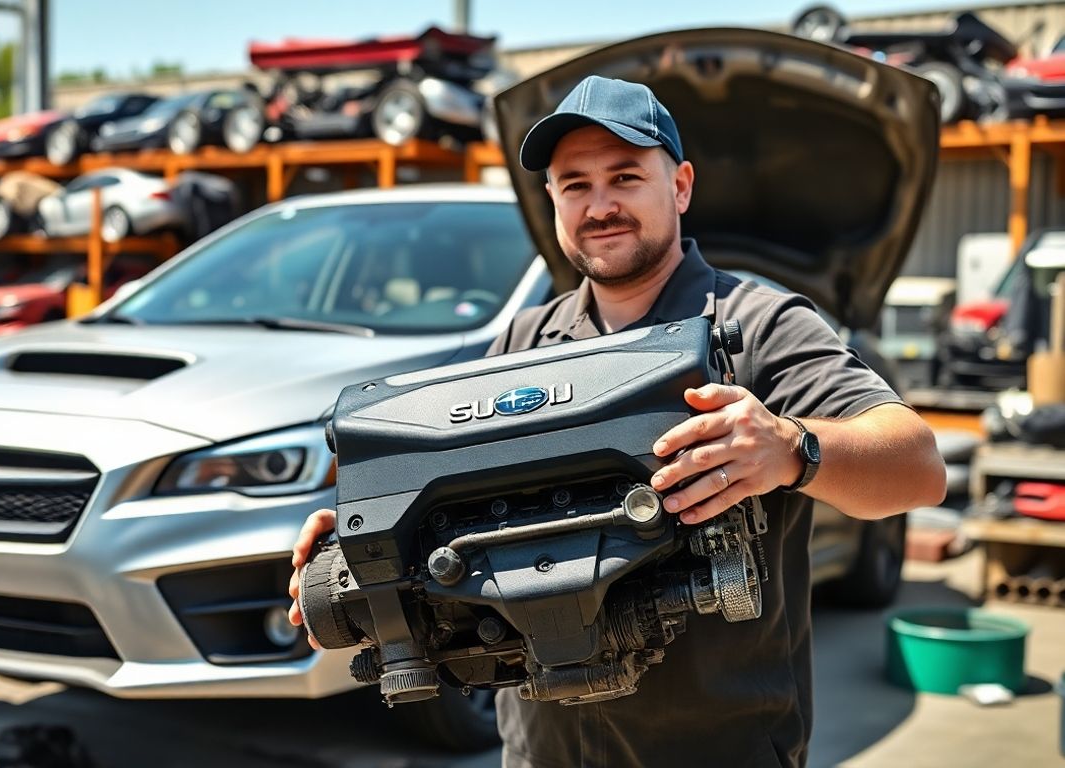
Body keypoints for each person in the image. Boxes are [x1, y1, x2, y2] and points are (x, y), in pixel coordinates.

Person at [287, 76, 946, 767]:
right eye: (575, 185)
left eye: (625, 177)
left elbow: (918, 466)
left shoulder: (760, 327)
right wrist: (370, 538)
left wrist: (791, 446)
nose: (600, 206)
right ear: (552, 200)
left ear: (681, 186)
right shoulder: (520, 347)